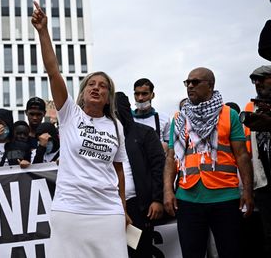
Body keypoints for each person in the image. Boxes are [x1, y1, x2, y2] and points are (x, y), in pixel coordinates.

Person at [32, 1, 130, 258]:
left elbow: (118, 169)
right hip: (70, 210)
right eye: (91, 85)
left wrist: (123, 208)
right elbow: (54, 73)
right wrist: (43, 32)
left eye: (103, 86)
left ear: (109, 95)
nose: (96, 88)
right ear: (83, 92)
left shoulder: (115, 126)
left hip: (109, 212)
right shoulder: (69, 114)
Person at [163, 67, 254, 258]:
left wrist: (247, 191)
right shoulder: (180, 118)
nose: (190, 86)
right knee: (191, 254)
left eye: (195, 82)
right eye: (187, 82)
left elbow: (242, 155)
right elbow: (172, 157)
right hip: (187, 198)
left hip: (225, 198)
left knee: (231, 252)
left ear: (210, 86)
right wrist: (168, 191)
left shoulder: (229, 115)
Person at [115, 92, 165, 258]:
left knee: (139, 251)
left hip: (139, 206)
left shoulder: (145, 133)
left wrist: (157, 199)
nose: (114, 114)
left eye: (117, 110)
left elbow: (159, 167)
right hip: (112, 206)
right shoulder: (105, 136)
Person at [243, 65, 271, 256]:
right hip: (264, 183)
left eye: (262, 78)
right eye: (255, 80)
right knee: (269, 236)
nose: (258, 83)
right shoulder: (252, 108)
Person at [132, 78, 171, 152]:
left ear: (152, 95)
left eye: (144, 94)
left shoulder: (163, 118)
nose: (140, 98)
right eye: (137, 94)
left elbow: (169, 145)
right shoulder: (128, 119)